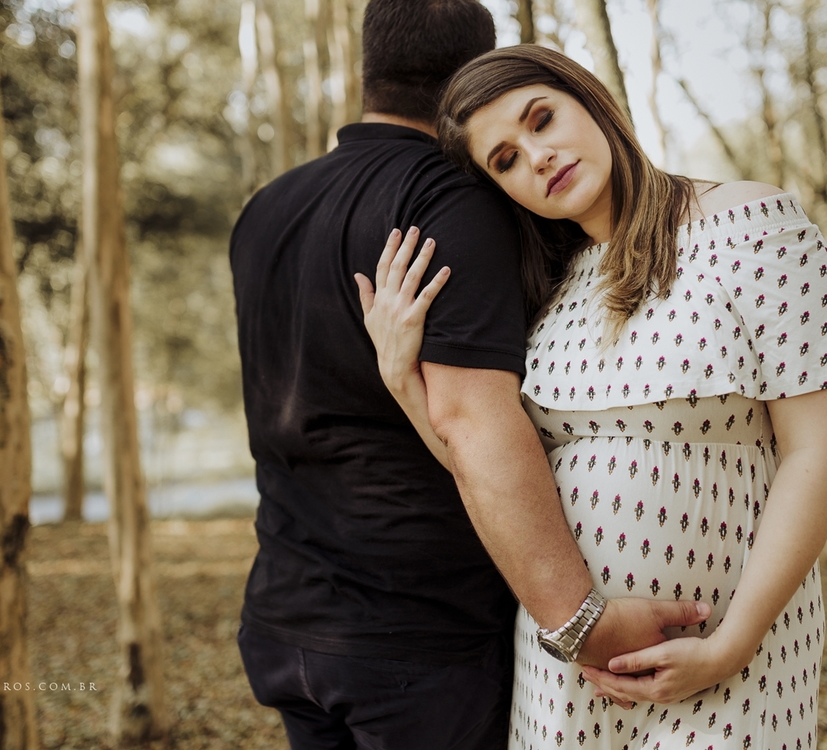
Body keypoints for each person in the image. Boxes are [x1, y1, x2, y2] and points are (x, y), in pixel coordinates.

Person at [354, 45, 827, 750]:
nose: (537, 157)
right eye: (505, 160)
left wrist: (734, 643)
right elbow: (501, 476)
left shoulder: (753, 222)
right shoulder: (546, 289)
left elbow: (826, 449)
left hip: (726, 656)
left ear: (590, 98)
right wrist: (401, 379)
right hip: (568, 672)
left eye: (542, 119)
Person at [229, 4, 707, 748]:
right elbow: (474, 421)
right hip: (420, 638)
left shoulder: (265, 210)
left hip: (284, 621)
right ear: (470, 82)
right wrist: (581, 622)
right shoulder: (448, 200)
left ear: (369, 66)